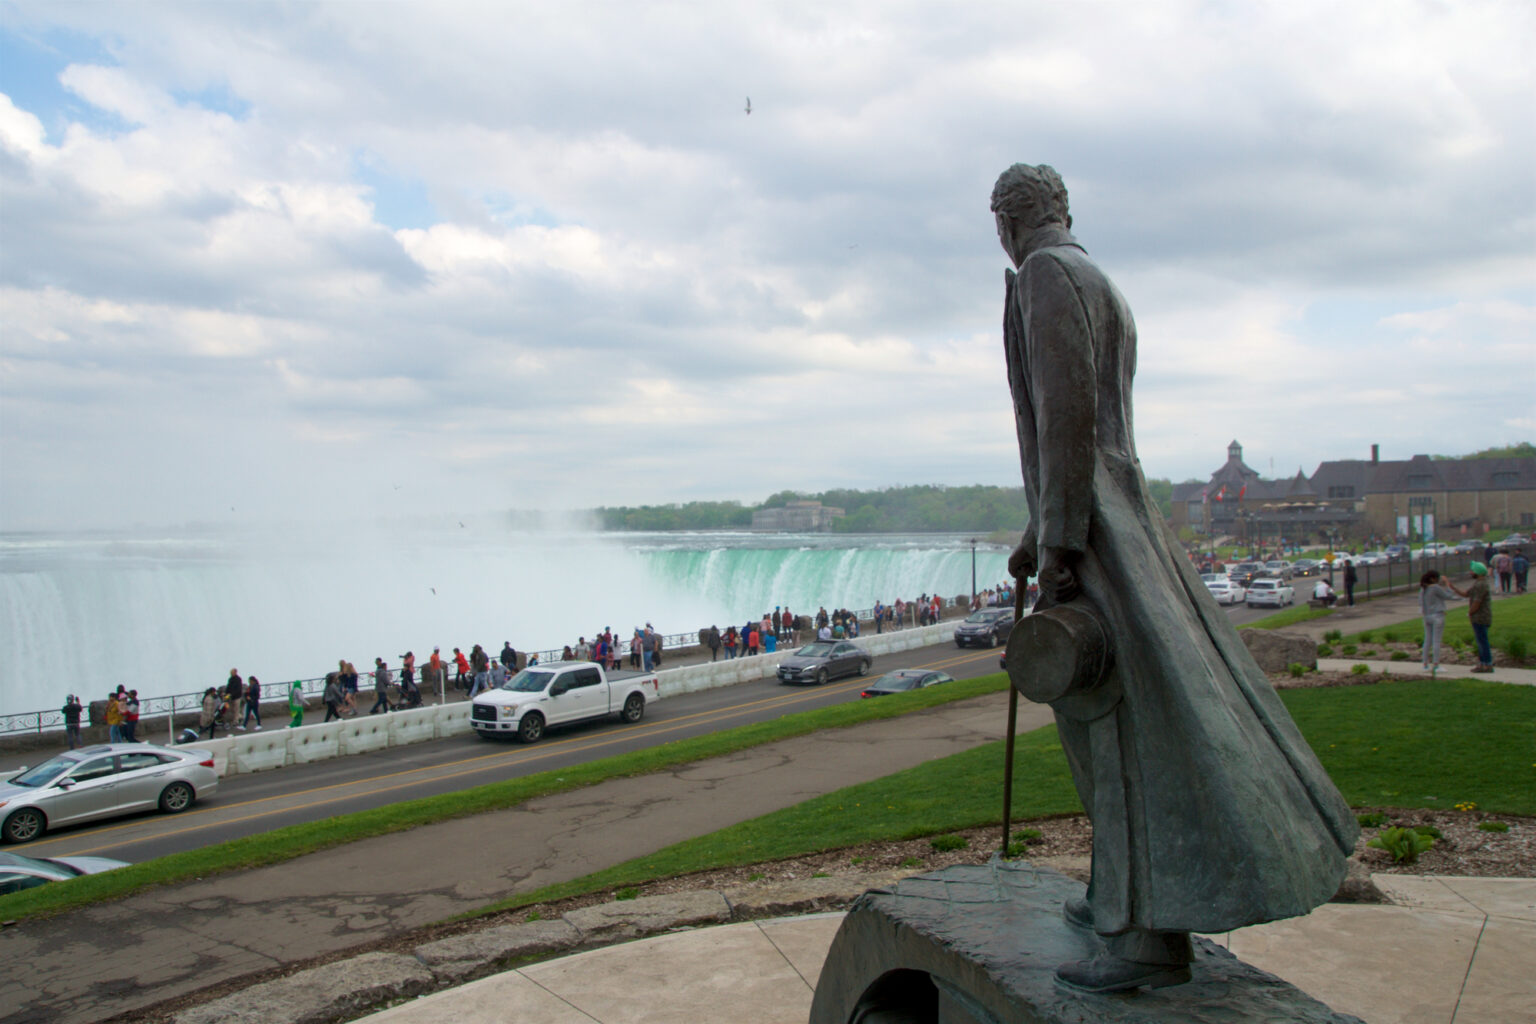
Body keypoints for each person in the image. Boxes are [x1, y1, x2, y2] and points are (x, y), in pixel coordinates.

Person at [993, 162, 1354, 992]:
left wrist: (1057, 541)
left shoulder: (1046, 276)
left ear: (1010, 219)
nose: (1005, 230)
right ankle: (1120, 896)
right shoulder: (1097, 278)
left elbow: (1069, 416)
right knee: (1125, 724)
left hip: (1096, 537)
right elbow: (1085, 426)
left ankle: (1144, 942)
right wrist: (1036, 527)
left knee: (1117, 724)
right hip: (1116, 515)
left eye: (1002, 215)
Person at [1447, 562, 1494, 672]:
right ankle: (1482, 663)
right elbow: (1466, 594)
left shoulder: (1481, 585)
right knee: (1480, 641)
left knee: (1482, 641)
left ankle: (1487, 664)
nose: (1470, 572)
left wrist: (1470, 612)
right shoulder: (1478, 583)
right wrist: (1453, 588)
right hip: (1479, 617)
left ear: (1478, 572)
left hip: (1481, 617)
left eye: (1472, 570)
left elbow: (1477, 602)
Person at [1418, 571, 1460, 673]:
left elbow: (1421, 603)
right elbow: (1447, 596)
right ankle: (1436, 665)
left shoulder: (1423, 589)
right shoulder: (1435, 588)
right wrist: (1448, 584)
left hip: (1427, 616)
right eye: (1437, 578)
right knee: (1436, 641)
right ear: (1432, 579)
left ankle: (1425, 664)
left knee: (1427, 640)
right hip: (1437, 616)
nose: (1439, 580)